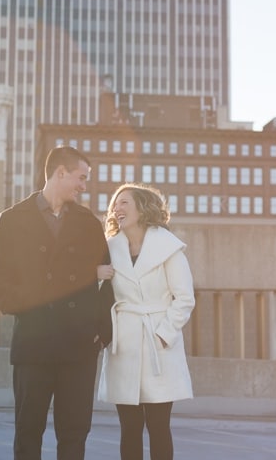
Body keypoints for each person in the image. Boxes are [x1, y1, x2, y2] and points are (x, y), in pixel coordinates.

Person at [0, 145, 114, 460]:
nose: (85, 186)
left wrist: (101, 330)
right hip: (34, 342)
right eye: (81, 178)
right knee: (28, 432)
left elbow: (109, 279)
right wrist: (25, 305)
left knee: (74, 433)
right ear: (61, 172)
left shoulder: (88, 222)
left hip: (79, 345)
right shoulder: (12, 219)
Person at [96, 182, 195, 460]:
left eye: (124, 202)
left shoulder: (169, 248)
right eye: (115, 203)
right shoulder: (109, 248)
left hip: (158, 345)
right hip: (124, 345)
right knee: (129, 427)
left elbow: (185, 298)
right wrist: (95, 274)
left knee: (158, 426)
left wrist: (164, 334)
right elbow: (96, 296)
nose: (117, 208)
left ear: (143, 207)